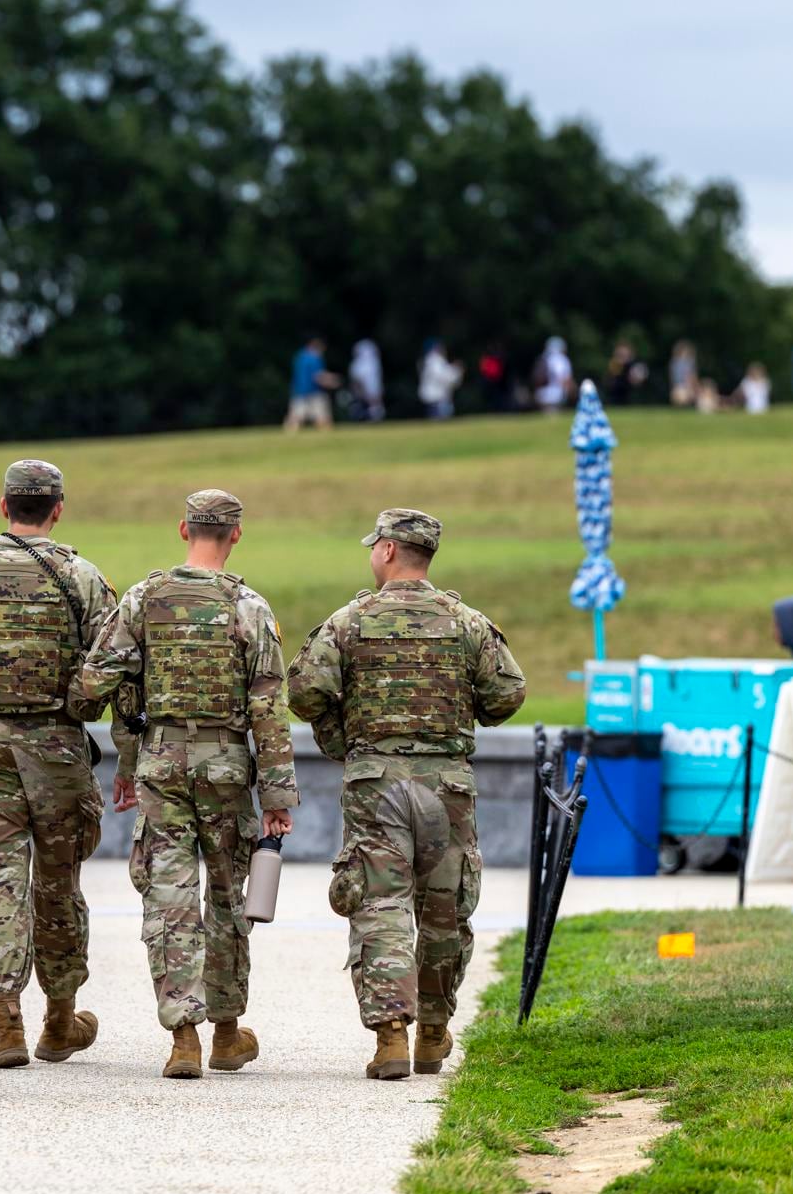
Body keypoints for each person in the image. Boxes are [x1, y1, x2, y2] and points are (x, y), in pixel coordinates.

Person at [287, 509, 526, 1079]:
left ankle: (391, 1035)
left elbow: (303, 692)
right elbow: (505, 698)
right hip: (447, 786)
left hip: (376, 784)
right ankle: (435, 1031)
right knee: (444, 910)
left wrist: (341, 737)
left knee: (381, 904)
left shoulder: (349, 621)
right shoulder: (467, 623)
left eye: (375, 546)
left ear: (389, 551)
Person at [77, 490, 298, 1080]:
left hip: (162, 765)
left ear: (183, 529)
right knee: (227, 897)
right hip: (226, 765)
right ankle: (226, 1033)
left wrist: (125, 747)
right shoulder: (250, 607)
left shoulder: (143, 599)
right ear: (236, 535)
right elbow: (268, 710)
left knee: (170, 896)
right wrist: (277, 796)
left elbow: (98, 682)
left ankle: (183, 1039)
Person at [0, 460, 121, 1071]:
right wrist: (79, 704)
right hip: (59, 749)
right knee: (58, 882)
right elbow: (114, 661)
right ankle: (61, 1019)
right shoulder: (81, 575)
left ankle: (6, 1022)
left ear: (4, 506)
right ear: (58, 509)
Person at [284, 336, 340, 432]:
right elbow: (318, 377)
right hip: (314, 393)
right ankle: (326, 438)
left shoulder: (300, 356)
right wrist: (333, 381)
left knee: (295, 419)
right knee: (323, 419)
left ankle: (287, 438)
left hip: (298, 392)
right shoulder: (314, 358)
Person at [417, 341, 462, 419]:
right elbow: (443, 377)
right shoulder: (435, 361)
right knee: (438, 419)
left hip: (435, 396)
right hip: (435, 396)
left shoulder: (432, 360)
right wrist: (456, 371)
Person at [348, 339, 385, 421]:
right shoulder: (364, 363)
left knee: (373, 407)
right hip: (366, 391)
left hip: (369, 391)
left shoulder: (371, 363)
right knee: (367, 407)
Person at [533, 337, 574, 411]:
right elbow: (564, 379)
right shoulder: (562, 359)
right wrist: (570, 393)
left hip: (541, 394)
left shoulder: (542, 358)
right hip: (557, 394)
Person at [477, 344, 507, 413]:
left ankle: (497, 410)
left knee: (497, 398)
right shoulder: (486, 359)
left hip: (495, 382)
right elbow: (483, 371)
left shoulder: (495, 359)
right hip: (488, 382)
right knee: (491, 399)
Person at [668, 341, 699, 407]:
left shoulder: (674, 363)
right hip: (683, 388)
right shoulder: (687, 363)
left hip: (679, 388)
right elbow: (690, 377)